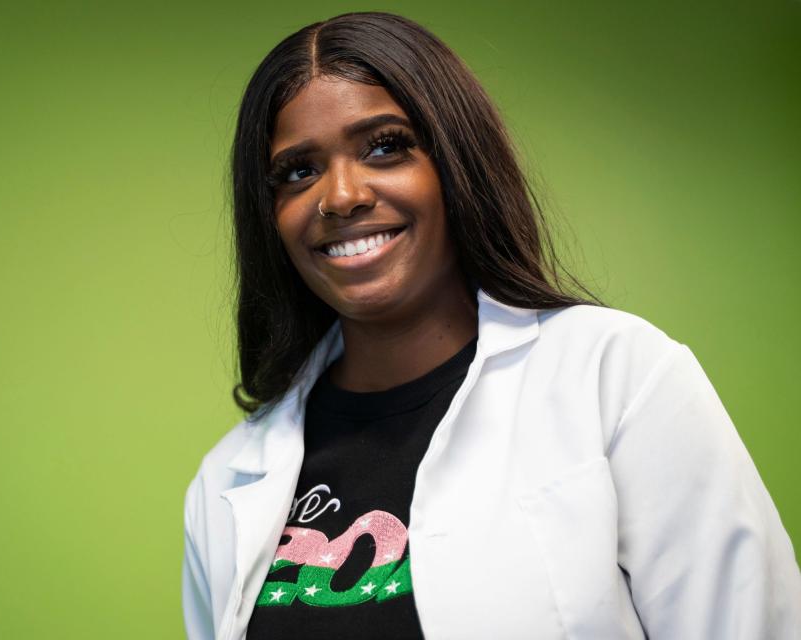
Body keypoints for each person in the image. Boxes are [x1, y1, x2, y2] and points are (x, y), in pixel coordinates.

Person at [182, 11, 801, 640]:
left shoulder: (617, 378)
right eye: (298, 170)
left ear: (456, 164)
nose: (340, 196)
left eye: (384, 146)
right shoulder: (230, 479)